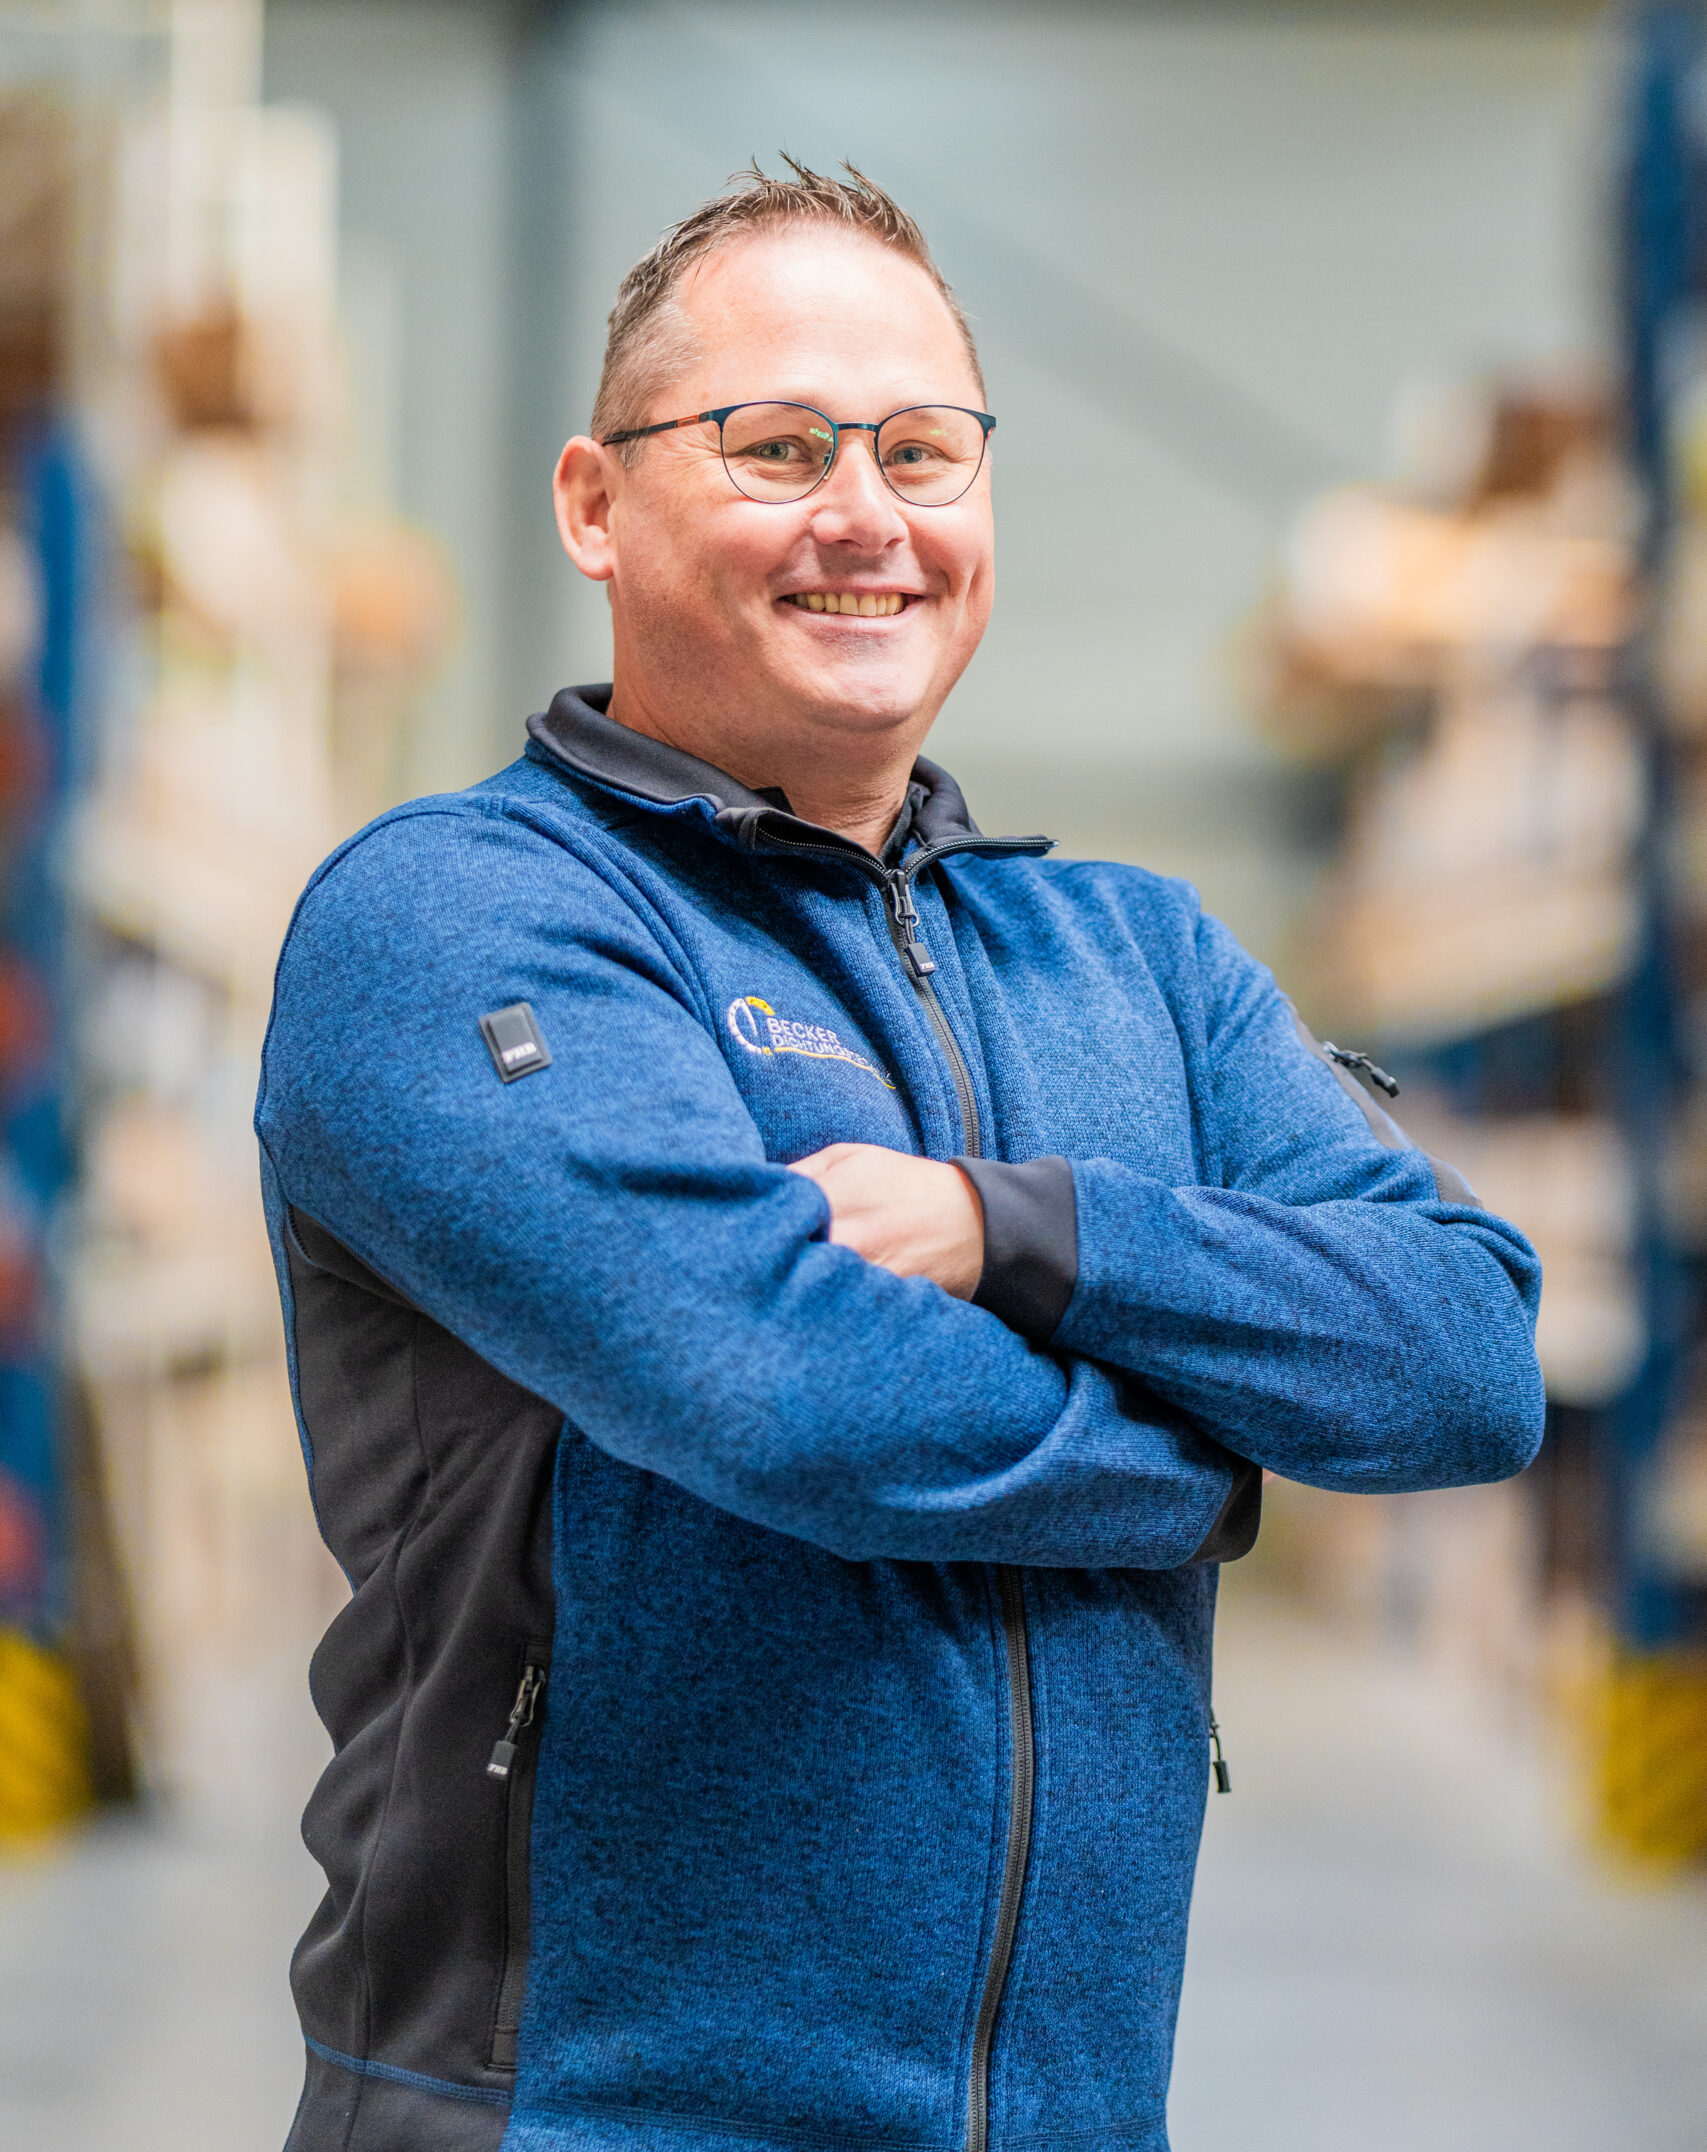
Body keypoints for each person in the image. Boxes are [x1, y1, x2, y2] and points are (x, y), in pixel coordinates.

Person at [257, 161, 1544, 2152]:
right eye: (777, 445)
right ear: (595, 503)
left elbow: (1463, 1356)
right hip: (579, 2111)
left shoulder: (1136, 956)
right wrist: (1206, 1460)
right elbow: (784, 1390)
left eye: (924, 451)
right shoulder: (460, 920)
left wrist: (1017, 1229)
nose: (867, 515)